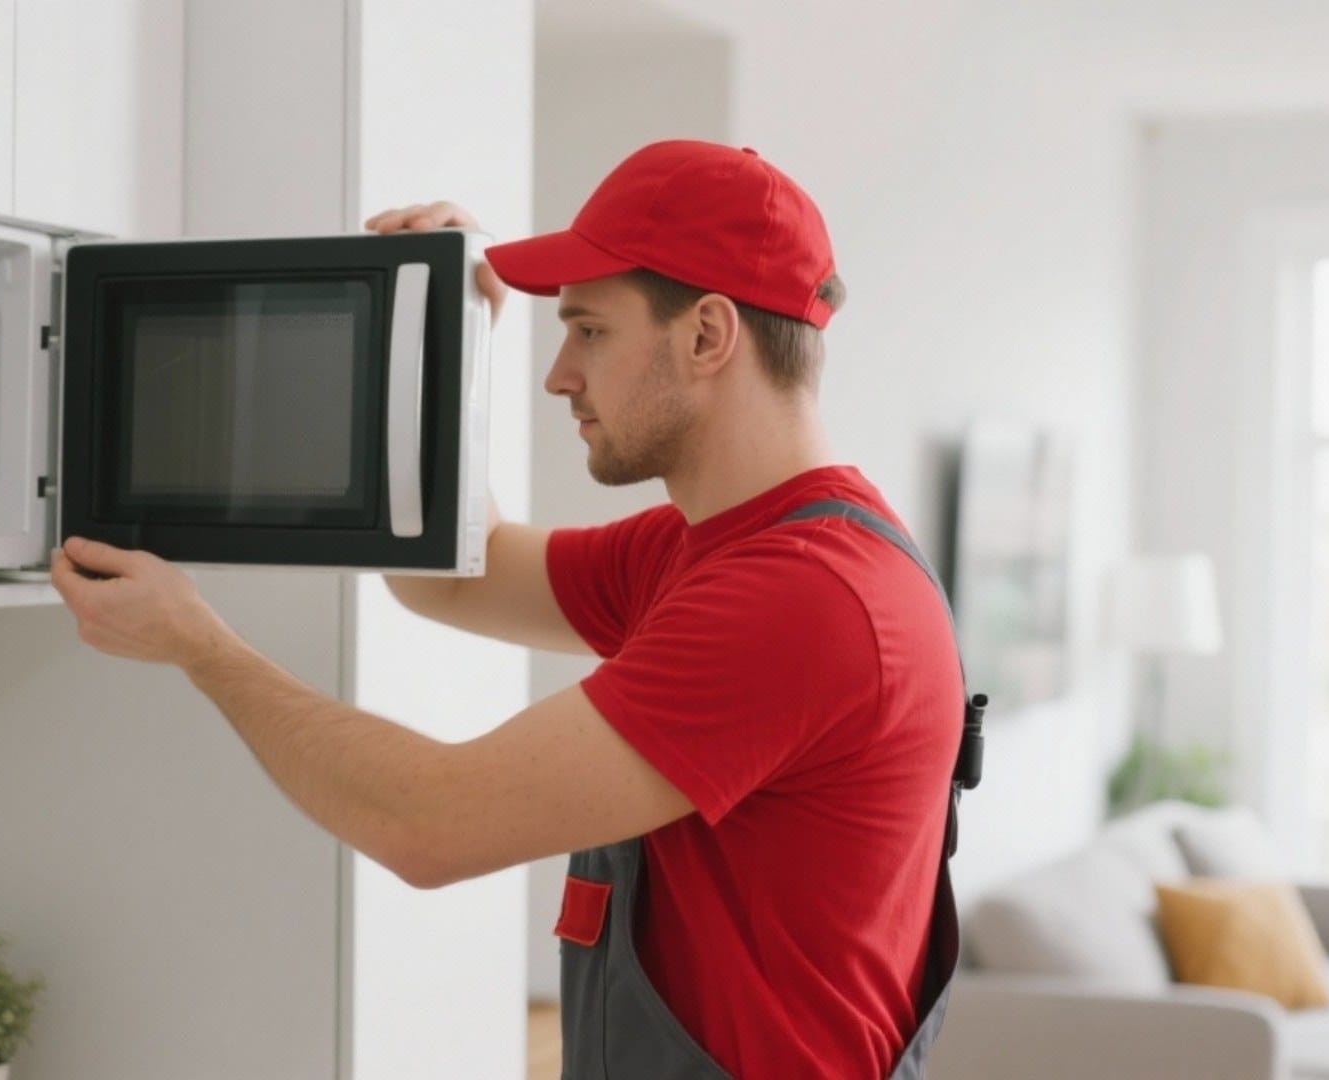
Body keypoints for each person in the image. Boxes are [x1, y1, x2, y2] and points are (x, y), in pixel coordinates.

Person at [52, 139, 978, 1079]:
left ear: (706, 336)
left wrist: (202, 649)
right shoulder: (709, 548)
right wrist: (448, 333)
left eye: (590, 331)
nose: (559, 374)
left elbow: (430, 825)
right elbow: (456, 571)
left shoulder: (801, 598)